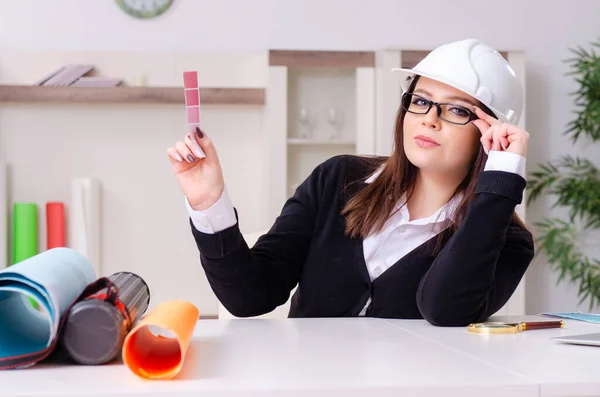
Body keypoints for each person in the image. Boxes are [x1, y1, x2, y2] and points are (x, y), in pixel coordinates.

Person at [166, 38, 534, 326]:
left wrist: (500, 177)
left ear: (493, 132)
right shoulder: (337, 179)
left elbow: (445, 309)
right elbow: (250, 296)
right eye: (420, 101)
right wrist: (208, 202)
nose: (429, 119)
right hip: (309, 384)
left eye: (457, 110)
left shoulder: (507, 242)